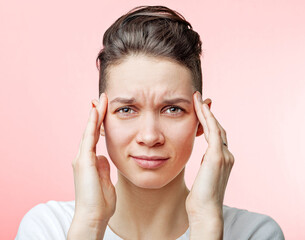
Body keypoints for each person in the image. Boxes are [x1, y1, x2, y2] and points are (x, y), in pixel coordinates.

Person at [15, 5, 285, 240]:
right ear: (99, 120)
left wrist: (206, 225)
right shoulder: (48, 229)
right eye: (127, 110)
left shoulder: (254, 233)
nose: (149, 136)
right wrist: (88, 226)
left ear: (203, 120)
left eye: (171, 109)